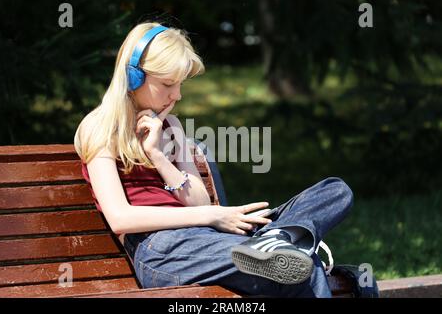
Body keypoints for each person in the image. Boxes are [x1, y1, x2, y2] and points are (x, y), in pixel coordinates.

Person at [74, 22, 353, 298]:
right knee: (303, 266)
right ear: (134, 77)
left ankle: (278, 239)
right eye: (168, 84)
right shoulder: (99, 126)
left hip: (208, 240)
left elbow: (198, 202)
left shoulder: (171, 127)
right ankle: (278, 244)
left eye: (180, 84)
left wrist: (158, 156)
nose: (178, 95)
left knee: (335, 191)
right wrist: (214, 216)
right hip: (161, 249)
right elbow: (120, 218)